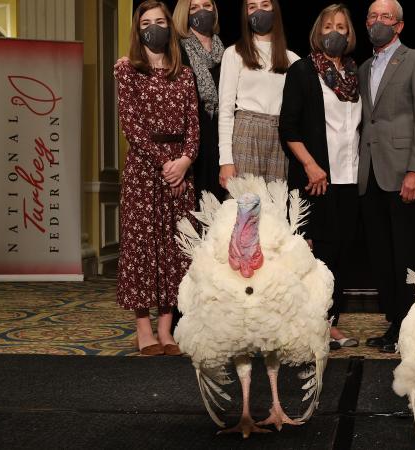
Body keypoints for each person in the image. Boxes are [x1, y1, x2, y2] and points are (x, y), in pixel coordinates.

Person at [115, 0, 199, 356]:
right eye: (146, 22)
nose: (155, 28)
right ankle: (144, 329)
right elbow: (130, 125)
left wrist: (183, 162)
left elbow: (194, 126)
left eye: (161, 21)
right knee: (142, 249)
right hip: (144, 171)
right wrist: (168, 164)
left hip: (180, 171)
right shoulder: (126, 69)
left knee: (174, 250)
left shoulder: (185, 73)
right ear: (138, 29)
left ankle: (167, 330)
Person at [358, 0, 415, 353]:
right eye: (373, 17)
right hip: (371, 173)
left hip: (404, 172)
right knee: (382, 255)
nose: (379, 21)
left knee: (408, 255)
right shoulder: (362, 67)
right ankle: (395, 324)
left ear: (400, 25)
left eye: (386, 17)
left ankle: (412, 328)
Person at [279, 4, 361, 350]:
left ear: (349, 33)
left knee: (340, 254)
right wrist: (311, 165)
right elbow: (288, 126)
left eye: (341, 26)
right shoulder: (302, 71)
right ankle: (309, 326)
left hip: (351, 177)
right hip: (316, 178)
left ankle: (330, 322)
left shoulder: (356, 75)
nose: (334, 32)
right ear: (318, 31)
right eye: (328, 25)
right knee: (314, 256)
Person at [218, 0, 299, 188]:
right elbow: (226, 110)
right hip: (247, 133)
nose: (259, 11)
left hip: (279, 138)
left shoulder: (293, 59)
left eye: (265, 5)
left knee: (276, 209)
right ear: (245, 14)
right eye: (252, 7)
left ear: (274, 10)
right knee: (244, 207)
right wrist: (226, 161)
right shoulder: (234, 53)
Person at [172, 0, 226, 204]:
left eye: (207, 5)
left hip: (220, 137)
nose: (201, 12)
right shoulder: (176, 49)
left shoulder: (227, 52)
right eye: (194, 8)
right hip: (192, 140)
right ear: (184, 14)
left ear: (214, 9)